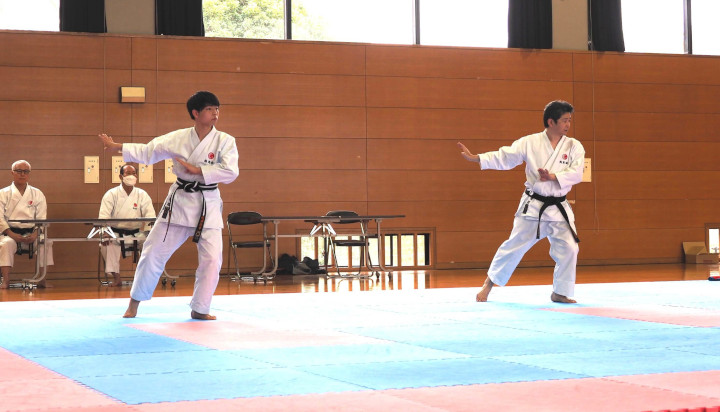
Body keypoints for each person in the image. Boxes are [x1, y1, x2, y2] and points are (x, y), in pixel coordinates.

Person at [98, 91, 239, 319]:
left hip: (208, 204)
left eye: (217, 109)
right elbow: (149, 151)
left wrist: (198, 170)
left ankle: (200, 308)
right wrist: (118, 147)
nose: (215, 113)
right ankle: (134, 303)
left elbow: (231, 172)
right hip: (180, 203)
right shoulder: (178, 138)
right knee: (152, 252)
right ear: (195, 113)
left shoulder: (225, 141)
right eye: (209, 109)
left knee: (213, 260)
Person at [457, 100, 585, 304]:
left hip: (559, 207)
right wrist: (478, 158)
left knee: (570, 248)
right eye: (564, 120)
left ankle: (560, 292)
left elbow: (578, 172)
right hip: (534, 206)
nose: (568, 125)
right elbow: (505, 157)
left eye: (569, 120)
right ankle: (488, 284)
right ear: (551, 122)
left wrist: (553, 177)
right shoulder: (530, 142)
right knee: (514, 246)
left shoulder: (573, 146)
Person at [98, 164, 156, 287]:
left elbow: (150, 215)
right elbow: (103, 216)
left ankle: (144, 278)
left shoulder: (142, 194)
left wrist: (149, 232)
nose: (131, 176)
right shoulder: (111, 194)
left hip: (136, 233)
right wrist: (105, 232)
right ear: (121, 176)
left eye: (134, 173)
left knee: (151, 244)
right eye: (128, 173)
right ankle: (117, 278)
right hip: (115, 233)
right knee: (106, 244)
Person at [0, 160, 54, 289]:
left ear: (29, 173)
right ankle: (5, 280)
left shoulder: (37, 193)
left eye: (26, 171)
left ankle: (42, 280)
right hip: (9, 233)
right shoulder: (3, 193)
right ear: (12, 173)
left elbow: (41, 218)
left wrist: (36, 234)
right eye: (19, 171)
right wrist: (11, 234)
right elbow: (0, 217)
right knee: (6, 244)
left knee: (46, 243)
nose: (22, 174)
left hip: (32, 233)